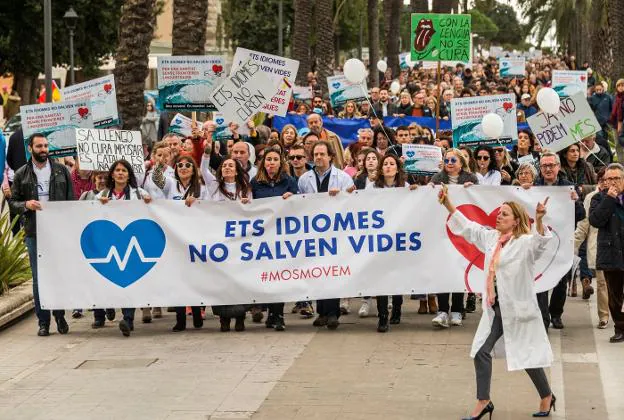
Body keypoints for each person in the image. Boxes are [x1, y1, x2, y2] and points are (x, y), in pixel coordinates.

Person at [438, 185, 556, 420]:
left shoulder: (525, 243)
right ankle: (484, 400)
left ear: (515, 221)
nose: (498, 217)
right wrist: (447, 204)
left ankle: (546, 396)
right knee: (483, 352)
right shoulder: (492, 239)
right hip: (496, 309)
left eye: (504, 214)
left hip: (518, 309)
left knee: (525, 355)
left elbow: (541, 243)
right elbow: (469, 228)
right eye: (499, 213)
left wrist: (540, 220)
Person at [9, 133, 74, 337]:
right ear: (31, 148)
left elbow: (71, 202)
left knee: (59, 275)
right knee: (39, 278)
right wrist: (26, 205)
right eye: (39, 146)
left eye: (46, 145)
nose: (44, 149)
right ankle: (43, 321)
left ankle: (60, 316)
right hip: (34, 231)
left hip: (58, 232)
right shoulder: (21, 174)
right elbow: (13, 202)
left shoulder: (61, 171)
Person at [298, 140, 355, 329]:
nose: (319, 158)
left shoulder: (343, 178)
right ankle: (321, 311)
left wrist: (342, 195)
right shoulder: (305, 179)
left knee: (332, 271)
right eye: (315, 155)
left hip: (335, 231)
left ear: (330, 156)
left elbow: (353, 199)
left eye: (322, 154)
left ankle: (333, 313)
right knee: (317, 272)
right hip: (313, 232)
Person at [97, 160, 152, 336]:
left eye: (124, 170)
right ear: (112, 174)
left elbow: (151, 213)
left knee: (128, 281)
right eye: (117, 170)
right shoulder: (102, 195)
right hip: (110, 244)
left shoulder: (139, 193)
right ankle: (110, 308)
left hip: (132, 243)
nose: (120, 173)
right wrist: (100, 206)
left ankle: (128, 319)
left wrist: (150, 202)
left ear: (129, 174)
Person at [200, 154, 253, 330]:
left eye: (231, 166)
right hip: (219, 240)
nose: (227, 168)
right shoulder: (214, 187)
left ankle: (240, 316)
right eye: (224, 166)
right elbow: (203, 169)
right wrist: (207, 153)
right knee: (221, 280)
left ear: (237, 171)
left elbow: (252, 212)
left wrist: (247, 204)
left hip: (239, 241)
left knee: (239, 279)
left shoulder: (245, 188)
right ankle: (224, 317)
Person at [365, 154, 417, 332]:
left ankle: (397, 308)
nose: (388, 167)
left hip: (399, 237)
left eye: (391, 164)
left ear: (397, 168)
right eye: (385, 164)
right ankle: (382, 316)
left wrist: (417, 193)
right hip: (379, 238)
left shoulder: (406, 187)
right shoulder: (372, 187)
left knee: (396, 275)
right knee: (381, 276)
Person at [533, 152, 586, 330]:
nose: (548, 169)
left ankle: (556, 313)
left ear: (558, 167)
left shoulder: (568, 187)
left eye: (551, 165)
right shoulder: (533, 187)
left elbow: (580, 216)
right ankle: (542, 317)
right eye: (544, 166)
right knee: (539, 279)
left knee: (560, 280)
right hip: (540, 242)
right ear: (540, 169)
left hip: (562, 243)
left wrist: (576, 202)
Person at [251, 147, 298, 331]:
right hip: (263, 236)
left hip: (283, 235)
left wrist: (293, 197)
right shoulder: (255, 183)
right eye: (268, 159)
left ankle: (278, 316)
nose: (271, 162)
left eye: (275, 159)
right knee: (268, 276)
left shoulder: (289, 181)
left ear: (281, 163)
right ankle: (271, 313)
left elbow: (300, 203)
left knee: (279, 275)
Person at [430, 149, 478, 328]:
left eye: (453, 160)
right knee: (443, 269)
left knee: (459, 269)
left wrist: (473, 190)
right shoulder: (436, 179)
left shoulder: (471, 179)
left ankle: (457, 310)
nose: (449, 162)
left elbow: (478, 199)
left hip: (462, 231)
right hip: (441, 230)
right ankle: (442, 311)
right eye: (446, 160)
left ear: (461, 163)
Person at [589, 163, 624, 343]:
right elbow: (595, 220)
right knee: (615, 295)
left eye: (617, 178)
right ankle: (620, 326)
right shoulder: (598, 198)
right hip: (611, 252)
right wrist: (609, 199)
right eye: (609, 179)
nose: (613, 182)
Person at [80, 171, 117, 328]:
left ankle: (110, 304)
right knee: (95, 278)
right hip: (92, 242)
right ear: (94, 180)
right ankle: (98, 315)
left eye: (105, 178)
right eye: (99, 178)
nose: (102, 181)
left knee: (109, 277)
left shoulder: (113, 195)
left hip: (110, 242)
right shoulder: (86, 196)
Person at [575, 168, 609, 327]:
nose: (605, 183)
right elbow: (583, 225)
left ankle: (617, 312)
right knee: (602, 283)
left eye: (608, 179)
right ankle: (604, 316)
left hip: (619, 246)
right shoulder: (591, 198)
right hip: (600, 246)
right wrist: (572, 246)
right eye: (601, 180)